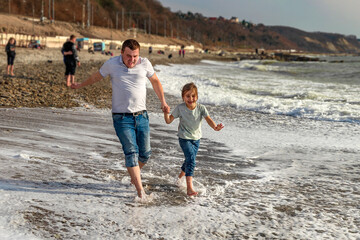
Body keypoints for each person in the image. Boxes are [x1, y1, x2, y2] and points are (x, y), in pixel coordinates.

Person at [71, 39, 169, 199]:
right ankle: (140, 191)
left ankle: (133, 175)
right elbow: (97, 77)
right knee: (131, 152)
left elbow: (156, 82)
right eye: (128, 56)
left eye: (135, 56)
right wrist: (80, 85)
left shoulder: (145, 63)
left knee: (145, 154)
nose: (132, 60)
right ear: (122, 53)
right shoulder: (112, 63)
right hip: (121, 118)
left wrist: (163, 102)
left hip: (142, 116)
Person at [163, 82, 224, 196]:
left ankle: (179, 179)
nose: (191, 98)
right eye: (187, 96)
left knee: (188, 160)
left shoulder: (201, 108)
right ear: (183, 97)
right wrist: (166, 113)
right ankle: (189, 188)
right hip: (184, 138)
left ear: (197, 96)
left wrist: (215, 127)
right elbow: (168, 121)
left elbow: (208, 119)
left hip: (196, 139)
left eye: (193, 96)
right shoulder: (180, 108)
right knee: (191, 159)